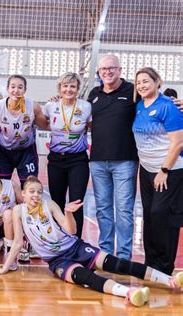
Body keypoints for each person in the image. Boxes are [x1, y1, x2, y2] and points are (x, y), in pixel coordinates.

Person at [0, 176, 183, 307]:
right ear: (23, 194)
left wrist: (68, 213)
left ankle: (170, 280)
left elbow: (71, 230)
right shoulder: (17, 212)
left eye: (39, 192)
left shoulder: (49, 205)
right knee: (84, 278)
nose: (36, 195)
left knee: (117, 264)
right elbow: (17, 243)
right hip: (58, 261)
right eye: (32, 191)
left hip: (74, 246)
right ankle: (129, 293)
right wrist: (5, 267)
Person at [86, 54, 139, 259]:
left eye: (111, 68)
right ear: (99, 72)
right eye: (103, 69)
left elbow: (153, 100)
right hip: (98, 161)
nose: (107, 72)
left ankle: (124, 256)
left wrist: (173, 101)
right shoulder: (93, 94)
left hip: (125, 160)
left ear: (120, 70)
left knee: (124, 210)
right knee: (103, 209)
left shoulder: (132, 91)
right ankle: (106, 253)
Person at [132, 67, 183, 275]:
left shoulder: (167, 106)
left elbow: (178, 142)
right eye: (138, 83)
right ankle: (151, 264)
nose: (142, 86)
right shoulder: (140, 106)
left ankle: (164, 266)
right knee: (149, 215)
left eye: (146, 81)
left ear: (157, 81)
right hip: (146, 170)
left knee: (161, 214)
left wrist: (164, 169)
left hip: (168, 170)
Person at [43, 72, 92, 238]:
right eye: (65, 86)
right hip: (56, 159)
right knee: (56, 201)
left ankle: (76, 239)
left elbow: (92, 126)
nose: (69, 89)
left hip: (78, 159)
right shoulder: (50, 106)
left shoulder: (86, 106)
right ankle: (58, 237)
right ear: (59, 88)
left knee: (76, 202)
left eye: (72, 86)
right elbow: (42, 122)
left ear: (78, 89)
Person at [0, 75, 48, 185]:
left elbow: (46, 125)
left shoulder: (33, 106)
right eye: (13, 87)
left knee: (30, 184)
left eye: (20, 87)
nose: (16, 90)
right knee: (2, 186)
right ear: (7, 89)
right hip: (3, 150)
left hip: (26, 150)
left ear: (25, 90)